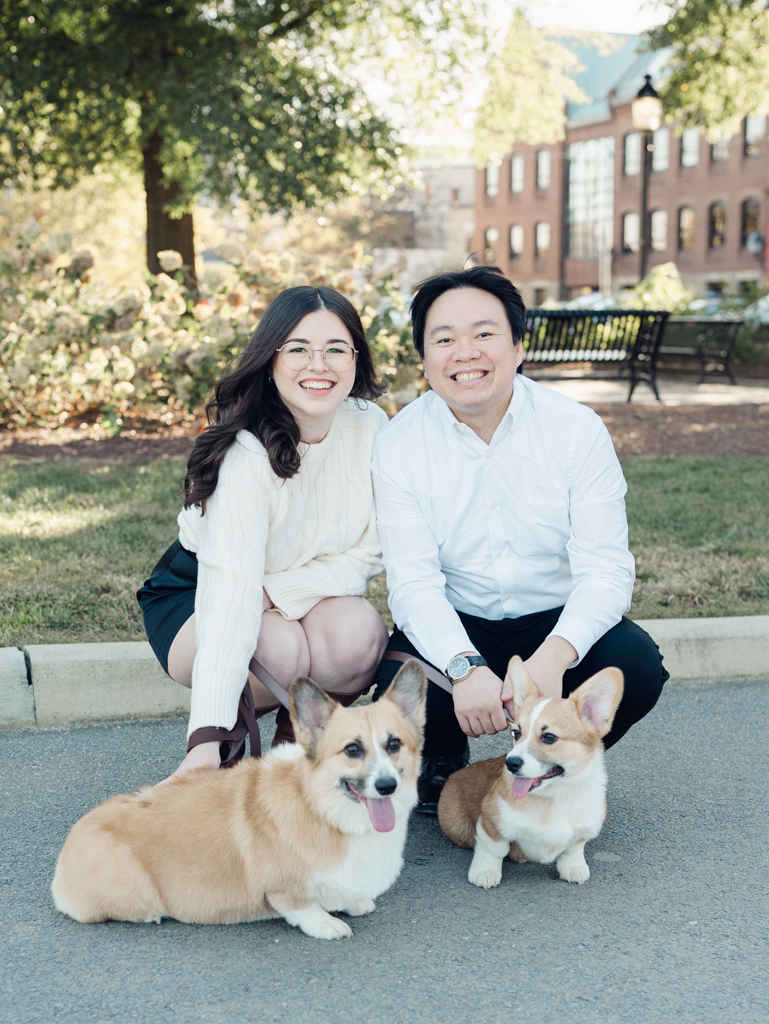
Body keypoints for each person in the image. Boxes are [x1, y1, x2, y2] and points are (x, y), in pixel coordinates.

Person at [371, 266, 668, 814]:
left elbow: (607, 570)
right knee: (395, 688)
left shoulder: (575, 429)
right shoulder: (399, 443)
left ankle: (555, 767)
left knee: (636, 664)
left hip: (553, 621)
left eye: (484, 334)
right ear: (424, 358)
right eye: (444, 339)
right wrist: (464, 668)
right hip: (459, 623)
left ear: (518, 345)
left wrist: (553, 659)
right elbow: (413, 583)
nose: (465, 353)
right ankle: (443, 757)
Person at [137, 286, 389, 782]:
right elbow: (231, 599)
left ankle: (297, 747)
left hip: (298, 591)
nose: (319, 365)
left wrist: (275, 593)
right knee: (276, 641)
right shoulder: (247, 455)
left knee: (360, 636)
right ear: (270, 359)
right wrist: (202, 738)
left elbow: (375, 548)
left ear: (356, 360)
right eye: (298, 349)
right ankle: (228, 756)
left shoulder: (371, 426)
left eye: (336, 349)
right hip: (197, 596)